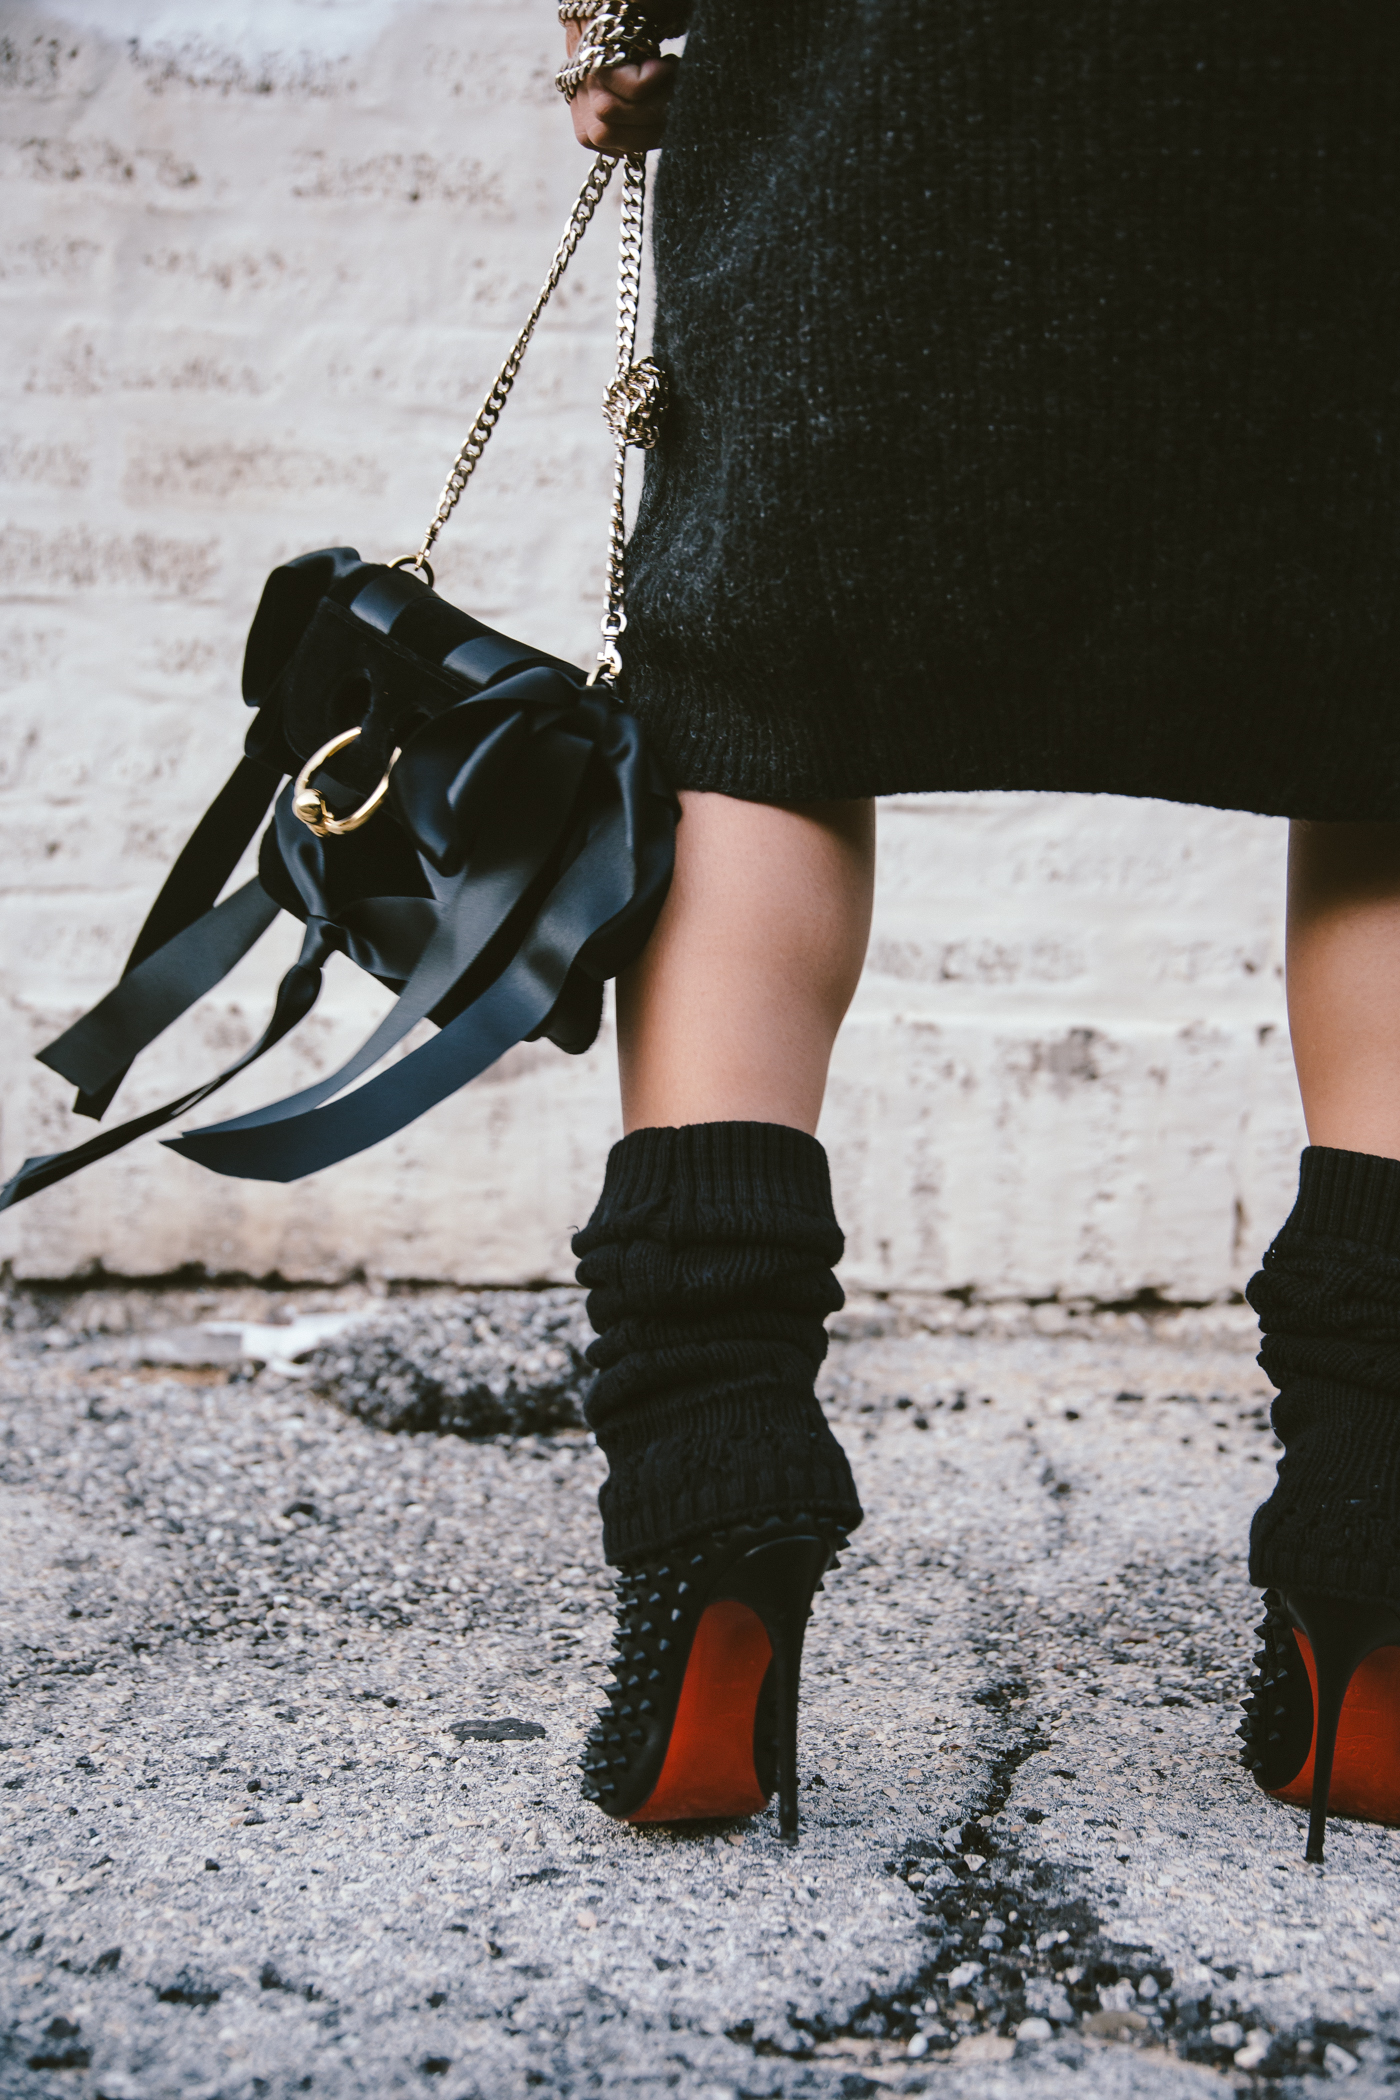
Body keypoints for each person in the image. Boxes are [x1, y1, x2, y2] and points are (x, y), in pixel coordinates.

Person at [559, 1, 1400, 1858]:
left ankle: (720, 1497)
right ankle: (1383, 1552)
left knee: (753, 719)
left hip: (887, 104)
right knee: (1384, 740)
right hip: (1342, 123)